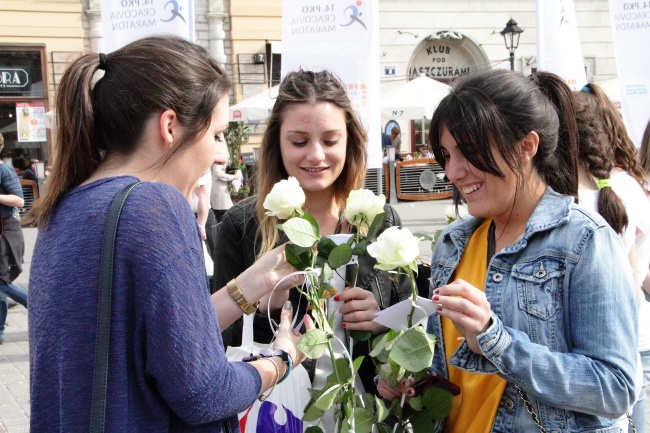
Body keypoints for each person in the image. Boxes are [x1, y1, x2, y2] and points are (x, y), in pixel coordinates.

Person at [27, 36, 313, 432]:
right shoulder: (153, 205)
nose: (221, 155)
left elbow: (152, 342)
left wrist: (253, 282)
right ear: (170, 125)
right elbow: (205, 393)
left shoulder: (63, 208)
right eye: (216, 134)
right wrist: (281, 358)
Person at [378, 69, 638, 432]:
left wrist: (495, 339)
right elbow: (454, 372)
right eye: (446, 154)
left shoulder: (582, 241)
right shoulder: (454, 243)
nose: (453, 171)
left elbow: (616, 388)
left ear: (527, 146)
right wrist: (409, 384)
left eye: (468, 152)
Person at [213, 69, 412, 406]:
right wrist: (265, 312)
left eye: (330, 140)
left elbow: (408, 320)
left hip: (364, 415)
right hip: (278, 415)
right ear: (278, 142)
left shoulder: (379, 218)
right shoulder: (242, 225)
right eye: (300, 141)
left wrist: (378, 320)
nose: (317, 155)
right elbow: (220, 345)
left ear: (350, 141)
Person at [574, 85, 650, 432]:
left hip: (591, 371)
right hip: (631, 350)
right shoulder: (621, 190)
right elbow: (635, 292)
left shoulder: (570, 205)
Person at [0, 133, 29, 345]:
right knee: (1, 281)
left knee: (1, 282)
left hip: (6, 231)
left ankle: (38, 307)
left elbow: (19, 200)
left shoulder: (3, 169)